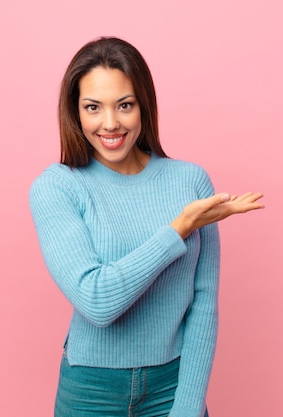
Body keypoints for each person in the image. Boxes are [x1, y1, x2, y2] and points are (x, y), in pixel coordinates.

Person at [29, 37, 264, 417]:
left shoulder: (190, 182)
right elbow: (97, 301)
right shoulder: (57, 187)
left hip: (174, 386)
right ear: (75, 112)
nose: (110, 123)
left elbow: (203, 305)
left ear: (144, 106)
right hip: (91, 393)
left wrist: (187, 407)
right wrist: (178, 229)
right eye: (93, 107)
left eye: (125, 105)